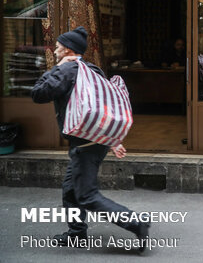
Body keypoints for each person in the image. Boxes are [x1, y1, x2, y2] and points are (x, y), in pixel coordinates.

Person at [30, 26, 150, 251]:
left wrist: (56, 69)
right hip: (96, 140)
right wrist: (113, 140)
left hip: (85, 143)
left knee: (86, 195)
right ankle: (77, 233)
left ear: (66, 50)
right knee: (70, 189)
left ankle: (136, 223)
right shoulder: (91, 70)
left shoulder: (66, 70)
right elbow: (101, 108)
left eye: (57, 47)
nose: (54, 50)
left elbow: (38, 94)